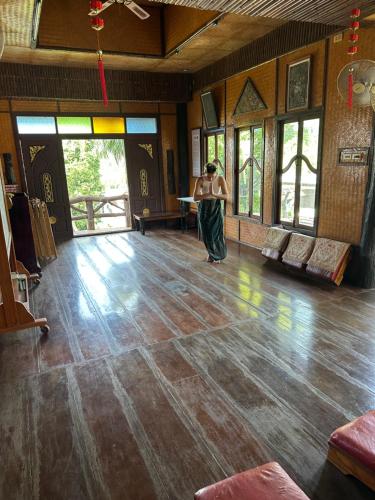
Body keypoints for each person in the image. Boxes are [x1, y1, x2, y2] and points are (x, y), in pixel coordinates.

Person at [193, 162, 229, 263]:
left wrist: (214, 194)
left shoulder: (220, 179)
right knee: (207, 233)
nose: (210, 179)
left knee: (217, 233)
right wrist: (207, 194)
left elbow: (226, 196)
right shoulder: (200, 179)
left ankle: (216, 255)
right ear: (205, 173)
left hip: (216, 207)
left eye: (212, 176)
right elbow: (195, 197)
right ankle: (211, 253)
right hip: (204, 207)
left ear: (215, 173)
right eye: (208, 177)